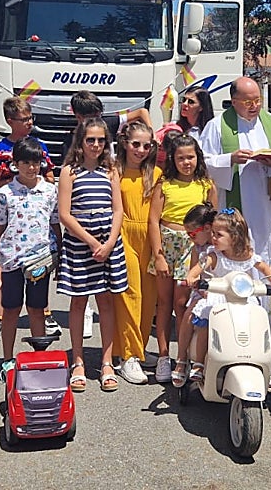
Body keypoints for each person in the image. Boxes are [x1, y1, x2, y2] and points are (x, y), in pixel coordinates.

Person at [200, 76, 271, 345]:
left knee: (267, 260)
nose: (254, 106)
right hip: (235, 209)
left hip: (266, 211)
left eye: (257, 100)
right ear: (234, 101)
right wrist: (229, 159)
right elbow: (203, 162)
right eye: (247, 101)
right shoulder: (218, 126)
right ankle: (235, 338)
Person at [57, 118, 127, 393]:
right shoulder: (68, 172)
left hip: (108, 245)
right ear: (81, 142)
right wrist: (90, 241)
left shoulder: (111, 170)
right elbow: (65, 214)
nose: (96, 145)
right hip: (80, 246)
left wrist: (108, 243)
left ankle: (107, 362)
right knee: (78, 303)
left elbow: (118, 209)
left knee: (106, 303)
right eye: (90, 140)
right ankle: (78, 362)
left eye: (100, 140)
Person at [179, 206, 271, 387]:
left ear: (234, 237)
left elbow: (264, 268)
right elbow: (198, 268)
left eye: (219, 235)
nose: (213, 238)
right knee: (205, 323)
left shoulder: (248, 255)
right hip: (217, 296)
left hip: (242, 298)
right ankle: (199, 363)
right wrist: (192, 277)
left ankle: (260, 363)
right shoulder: (214, 256)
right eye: (213, 234)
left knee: (256, 323)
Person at [149, 133, 217, 384]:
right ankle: (164, 356)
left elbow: (214, 222)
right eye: (180, 158)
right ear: (172, 160)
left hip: (194, 248)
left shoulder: (206, 184)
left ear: (197, 157)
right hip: (167, 245)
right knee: (164, 304)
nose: (186, 162)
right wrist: (158, 255)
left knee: (183, 303)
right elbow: (153, 221)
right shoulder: (164, 183)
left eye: (190, 157)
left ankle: (186, 355)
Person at [0, 140, 60, 375]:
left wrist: (58, 253)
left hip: (40, 258)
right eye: (26, 163)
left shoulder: (50, 190)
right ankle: (8, 359)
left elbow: (54, 223)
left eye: (36, 163)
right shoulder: (4, 193)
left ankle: (38, 357)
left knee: (36, 307)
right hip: (12, 259)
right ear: (15, 164)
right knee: (11, 309)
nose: (31, 168)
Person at [111, 120, 159, 385]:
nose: (141, 150)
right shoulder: (115, 171)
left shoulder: (156, 173)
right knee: (131, 294)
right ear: (125, 144)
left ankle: (137, 347)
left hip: (149, 236)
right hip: (124, 234)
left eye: (146, 145)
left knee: (149, 297)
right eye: (136, 144)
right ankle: (127, 357)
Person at [172, 204, 217, 386]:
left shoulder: (222, 245)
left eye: (193, 234)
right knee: (189, 315)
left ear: (207, 228)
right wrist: (196, 285)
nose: (191, 239)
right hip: (204, 292)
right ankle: (182, 358)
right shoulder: (197, 249)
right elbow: (193, 272)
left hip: (225, 292)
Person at [0, 96, 54, 203]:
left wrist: (34, 179)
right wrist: (10, 181)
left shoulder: (39, 146)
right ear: (10, 122)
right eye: (24, 119)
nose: (30, 122)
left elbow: (50, 179)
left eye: (31, 118)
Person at [155, 84, 214, 163]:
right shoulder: (174, 127)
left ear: (201, 107)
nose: (184, 104)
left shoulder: (210, 130)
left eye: (191, 102)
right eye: (183, 100)